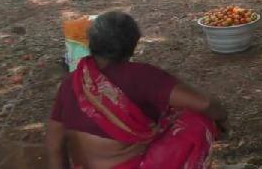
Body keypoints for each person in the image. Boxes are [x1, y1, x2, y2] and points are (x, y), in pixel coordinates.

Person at [46, 11, 228, 169]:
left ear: (92, 43)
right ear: (132, 45)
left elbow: (54, 145)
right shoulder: (141, 76)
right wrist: (221, 118)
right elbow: (204, 103)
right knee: (197, 120)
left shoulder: (72, 82)